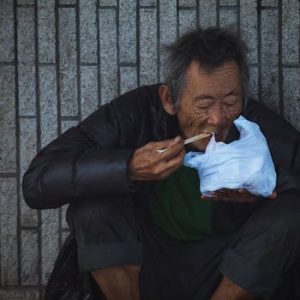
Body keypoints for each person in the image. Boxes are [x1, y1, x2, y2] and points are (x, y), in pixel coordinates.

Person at [22, 27, 300, 300]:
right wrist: (128, 167)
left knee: (290, 213)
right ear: (169, 99)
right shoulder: (137, 114)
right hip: (141, 264)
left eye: (230, 101)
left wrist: (261, 197)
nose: (218, 119)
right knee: (94, 205)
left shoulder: (253, 127)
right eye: (203, 105)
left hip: (227, 272)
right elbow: (37, 181)